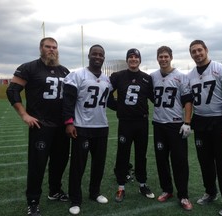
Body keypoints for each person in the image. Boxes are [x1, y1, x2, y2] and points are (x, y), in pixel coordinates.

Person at [6, 37, 70, 216]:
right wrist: (24, 114)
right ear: (41, 48)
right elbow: (12, 91)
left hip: (61, 125)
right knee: (37, 165)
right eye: (48, 47)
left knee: (60, 161)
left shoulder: (64, 70)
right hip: (41, 125)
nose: (52, 50)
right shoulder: (29, 67)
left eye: (54, 47)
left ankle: (54, 191)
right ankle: (33, 201)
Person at [62, 44, 114, 215]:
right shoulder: (78, 75)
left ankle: (94, 192)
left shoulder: (107, 80)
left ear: (104, 58)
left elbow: (111, 102)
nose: (98, 57)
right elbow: (68, 101)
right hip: (82, 127)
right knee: (78, 166)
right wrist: (69, 122)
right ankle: (75, 199)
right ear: (89, 56)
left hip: (101, 127)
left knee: (98, 164)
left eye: (101, 54)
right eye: (95, 54)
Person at [188, 39, 222, 216]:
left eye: (199, 50)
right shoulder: (190, 75)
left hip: (219, 123)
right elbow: (189, 101)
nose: (197, 54)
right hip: (200, 123)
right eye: (193, 51)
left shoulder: (221, 69)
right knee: (205, 163)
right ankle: (210, 192)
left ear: (206, 50)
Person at [150, 46, 193, 211]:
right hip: (159, 125)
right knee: (161, 160)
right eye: (160, 56)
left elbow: (188, 100)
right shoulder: (153, 76)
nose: (163, 59)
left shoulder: (181, 77)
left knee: (180, 162)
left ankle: (183, 195)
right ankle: (167, 189)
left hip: (176, 125)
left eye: (166, 56)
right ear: (157, 58)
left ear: (171, 57)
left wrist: (187, 122)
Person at [109, 48, 155, 202]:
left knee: (141, 154)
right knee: (123, 154)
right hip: (125, 122)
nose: (133, 59)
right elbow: (107, 94)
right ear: (127, 59)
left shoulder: (147, 79)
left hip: (141, 122)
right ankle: (121, 187)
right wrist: (119, 107)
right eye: (130, 57)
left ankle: (142, 184)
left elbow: (155, 99)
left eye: (136, 57)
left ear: (140, 60)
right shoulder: (118, 76)